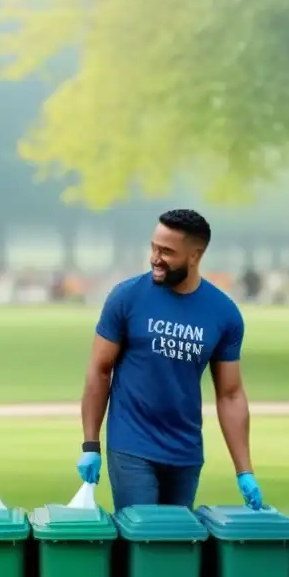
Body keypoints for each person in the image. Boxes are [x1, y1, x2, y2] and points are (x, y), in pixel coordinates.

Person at [76, 209, 263, 512]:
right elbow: (99, 370)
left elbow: (230, 394)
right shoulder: (126, 297)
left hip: (186, 452)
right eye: (154, 247)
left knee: (176, 545)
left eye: (167, 251)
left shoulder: (224, 313)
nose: (155, 257)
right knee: (143, 538)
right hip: (131, 445)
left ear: (195, 255)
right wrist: (90, 445)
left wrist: (245, 471)